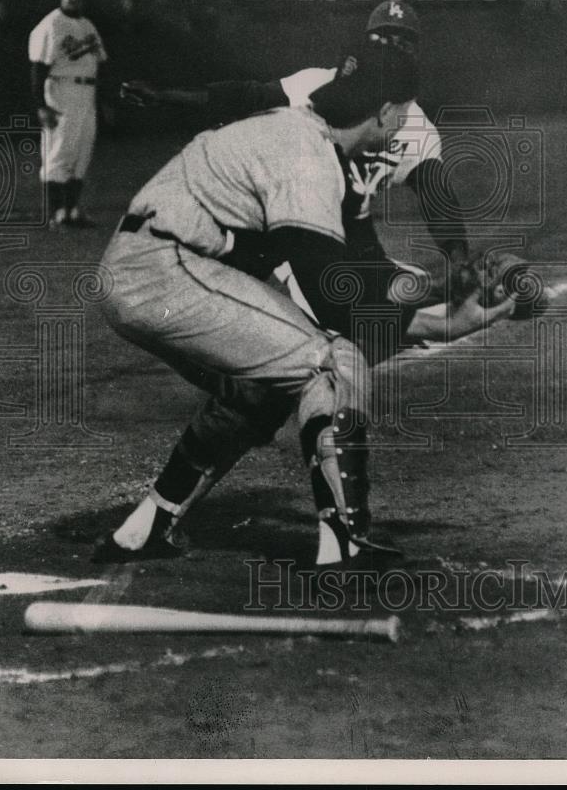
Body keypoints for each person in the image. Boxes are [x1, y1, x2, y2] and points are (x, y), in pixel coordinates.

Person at [94, 41, 514, 569]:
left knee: (265, 383)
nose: (402, 125)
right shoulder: (309, 158)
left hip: (157, 263)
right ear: (385, 112)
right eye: (401, 114)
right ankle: (345, 543)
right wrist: (447, 322)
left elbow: (349, 279)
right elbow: (336, 308)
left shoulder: (299, 132)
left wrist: (435, 298)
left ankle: (145, 527)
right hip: (163, 269)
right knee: (331, 361)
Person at [120, 1, 476, 304]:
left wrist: (458, 259)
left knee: (378, 304)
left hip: (338, 232)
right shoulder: (320, 84)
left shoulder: (413, 124)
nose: (391, 46)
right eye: (381, 38)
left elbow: (436, 193)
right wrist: (169, 96)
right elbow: (248, 96)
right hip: (282, 225)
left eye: (402, 41)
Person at [28, 0, 107, 228]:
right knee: (59, 152)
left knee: (82, 152)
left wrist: (103, 101)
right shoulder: (51, 25)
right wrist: (41, 106)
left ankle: (72, 211)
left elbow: (99, 64)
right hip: (61, 92)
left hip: (87, 94)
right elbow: (38, 68)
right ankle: (55, 213)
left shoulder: (87, 25)